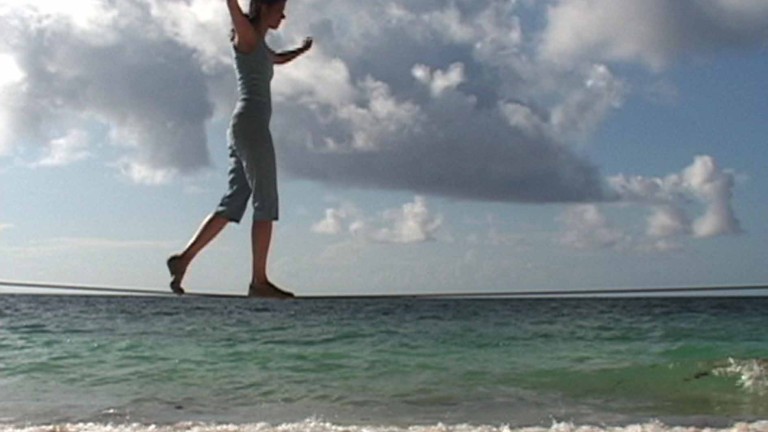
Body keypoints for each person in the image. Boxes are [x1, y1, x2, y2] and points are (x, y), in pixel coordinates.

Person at [166, 0, 312, 298]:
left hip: (245, 128)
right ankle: (258, 281)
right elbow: (232, 8)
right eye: (279, 9)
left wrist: (301, 50)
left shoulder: (260, 45)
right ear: (264, 7)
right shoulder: (246, 35)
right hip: (252, 128)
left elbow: (277, 59)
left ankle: (183, 260)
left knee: (234, 202)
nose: (283, 16)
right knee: (266, 201)